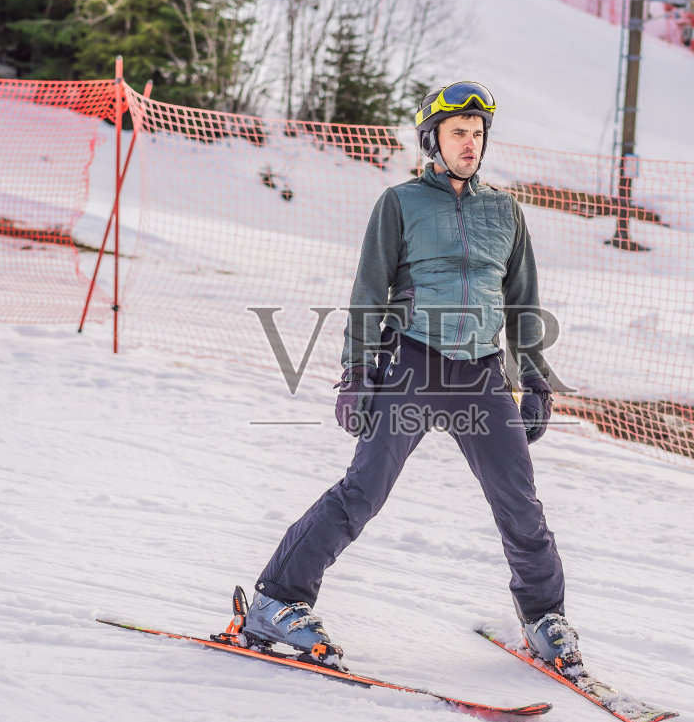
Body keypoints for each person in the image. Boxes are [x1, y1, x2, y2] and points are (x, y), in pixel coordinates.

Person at [239, 81, 583, 676]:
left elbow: (523, 304)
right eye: (459, 134)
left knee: (519, 502)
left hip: (480, 377)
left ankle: (543, 617)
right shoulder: (399, 204)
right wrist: (357, 375)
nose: (471, 145)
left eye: (478, 135)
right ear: (433, 140)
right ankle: (276, 599)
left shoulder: (505, 211)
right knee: (363, 492)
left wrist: (537, 379)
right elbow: (368, 294)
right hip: (414, 365)